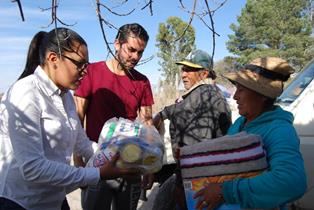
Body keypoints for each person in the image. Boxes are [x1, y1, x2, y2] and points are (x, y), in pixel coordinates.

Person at [0, 28, 139, 210]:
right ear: (53, 59)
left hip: (54, 200)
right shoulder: (25, 93)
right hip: (22, 202)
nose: (84, 72)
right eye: (79, 64)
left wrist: (118, 158)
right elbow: (32, 167)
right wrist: (96, 174)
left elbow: (81, 143)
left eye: (86, 65)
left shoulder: (66, 97)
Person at [194, 57, 307, 209]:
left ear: (262, 96)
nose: (235, 97)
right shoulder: (240, 123)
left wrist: (225, 191)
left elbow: (291, 182)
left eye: (241, 90)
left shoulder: (279, 130)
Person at [73, 23, 154, 210]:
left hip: (130, 165)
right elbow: (77, 118)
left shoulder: (142, 82)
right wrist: (79, 164)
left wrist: (149, 165)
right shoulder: (91, 72)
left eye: (140, 52)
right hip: (97, 163)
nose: (135, 57)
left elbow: (147, 123)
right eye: (131, 50)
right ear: (117, 44)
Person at [152, 49, 232, 210]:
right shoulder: (206, 93)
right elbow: (175, 109)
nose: (183, 74)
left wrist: (183, 188)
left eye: (189, 70)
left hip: (197, 182)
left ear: (204, 74)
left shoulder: (204, 99)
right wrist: (161, 115)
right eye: (183, 69)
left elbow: (195, 153)